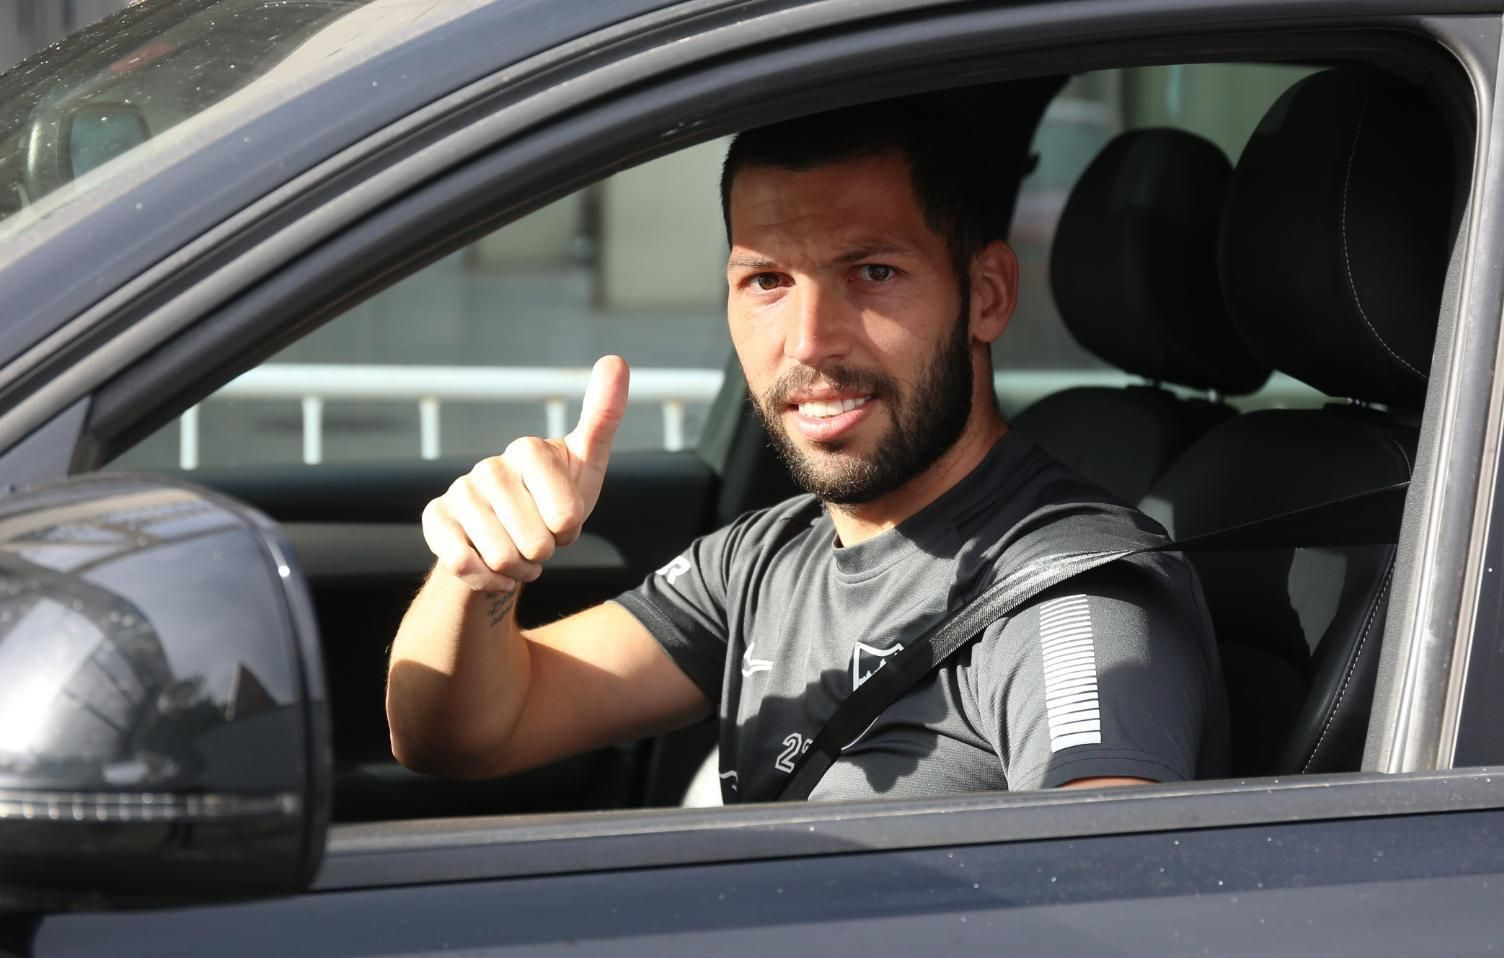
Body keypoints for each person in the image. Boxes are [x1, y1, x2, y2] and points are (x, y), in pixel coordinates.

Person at [386, 100, 1229, 803]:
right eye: (767, 281)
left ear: (986, 295)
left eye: (871, 273)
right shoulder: (766, 557)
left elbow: (1114, 897)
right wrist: (477, 580)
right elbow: (464, 735)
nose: (809, 342)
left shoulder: (1072, 598)